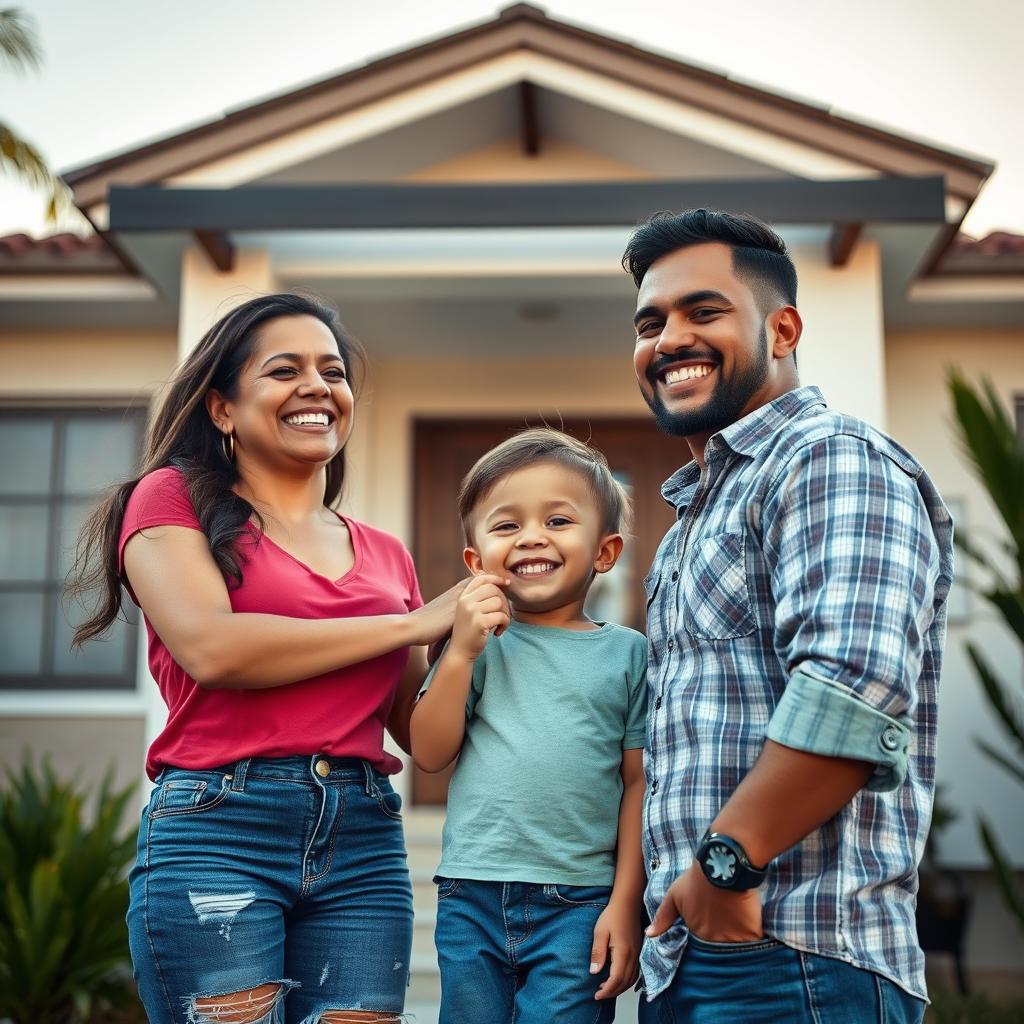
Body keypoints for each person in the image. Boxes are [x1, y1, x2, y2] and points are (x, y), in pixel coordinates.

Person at [70, 293, 462, 1024]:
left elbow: (425, 741)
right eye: (285, 371)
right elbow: (213, 648)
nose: (318, 387)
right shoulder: (169, 501)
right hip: (221, 827)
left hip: (364, 841)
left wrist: (462, 642)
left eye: (333, 372)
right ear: (222, 408)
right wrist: (409, 625)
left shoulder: (386, 554)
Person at [623, 209, 954, 1024]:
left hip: (798, 957)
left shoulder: (830, 457)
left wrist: (728, 863)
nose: (670, 339)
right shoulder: (692, 519)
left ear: (782, 330)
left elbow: (851, 691)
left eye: (704, 311)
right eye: (650, 323)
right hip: (693, 955)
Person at [409, 428, 648, 1024]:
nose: (532, 536)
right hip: (472, 891)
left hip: (581, 900)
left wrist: (626, 902)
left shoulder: (628, 655)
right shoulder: (478, 645)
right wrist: (461, 653)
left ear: (606, 552)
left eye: (558, 520)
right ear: (476, 561)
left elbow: (638, 783)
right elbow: (429, 752)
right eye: (507, 525)